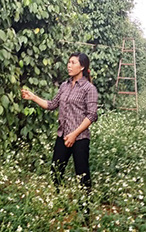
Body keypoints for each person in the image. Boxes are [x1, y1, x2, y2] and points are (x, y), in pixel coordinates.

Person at [21, 52, 98, 190]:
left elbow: (92, 115)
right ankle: (58, 202)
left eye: (73, 63)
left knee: (82, 174)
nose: (69, 65)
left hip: (80, 138)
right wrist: (33, 97)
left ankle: (85, 207)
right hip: (63, 136)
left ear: (82, 67)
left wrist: (74, 134)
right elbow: (51, 105)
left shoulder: (89, 89)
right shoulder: (64, 85)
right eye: (68, 62)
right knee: (55, 172)